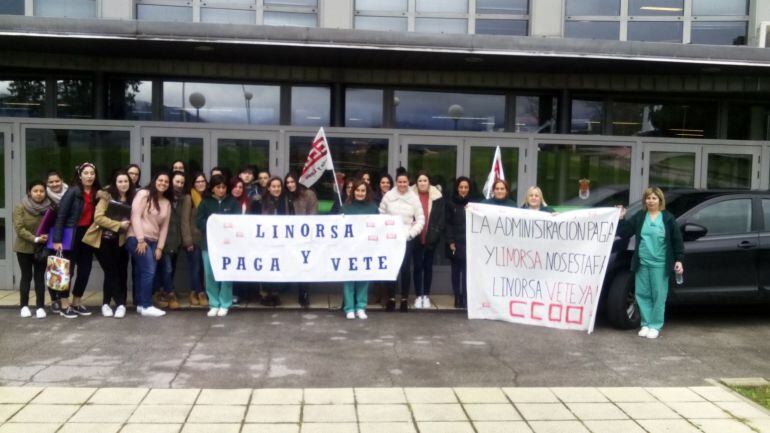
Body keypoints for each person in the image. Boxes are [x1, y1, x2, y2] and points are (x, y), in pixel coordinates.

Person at [618, 187, 684, 339]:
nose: (651, 201)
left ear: (660, 200)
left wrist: (679, 259)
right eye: (648, 198)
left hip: (660, 263)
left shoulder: (667, 218)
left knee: (658, 295)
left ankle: (655, 325)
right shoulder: (640, 216)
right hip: (642, 262)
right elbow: (625, 232)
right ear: (645, 200)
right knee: (642, 294)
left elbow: (677, 241)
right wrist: (621, 218)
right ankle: (646, 324)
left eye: (654, 198)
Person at [83, 170, 135, 319]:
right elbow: (98, 218)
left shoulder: (133, 198)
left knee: (120, 272)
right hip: (102, 240)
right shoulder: (106, 197)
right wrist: (118, 224)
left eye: (126, 181)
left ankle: (108, 303)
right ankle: (118, 304)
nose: (123, 184)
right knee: (110, 271)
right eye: (120, 181)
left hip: (121, 241)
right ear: (115, 183)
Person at [53, 162, 101, 318]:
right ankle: (64, 304)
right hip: (71, 234)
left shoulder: (96, 193)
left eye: (92, 173)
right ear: (80, 175)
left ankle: (77, 301)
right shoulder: (73, 192)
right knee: (67, 271)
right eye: (86, 173)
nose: (89, 176)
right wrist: (57, 239)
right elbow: (61, 216)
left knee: (85, 270)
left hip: (88, 235)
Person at [126, 171, 172, 317]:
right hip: (136, 239)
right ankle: (146, 305)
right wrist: (140, 239)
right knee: (149, 271)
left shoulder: (166, 202)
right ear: (154, 180)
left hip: (153, 242)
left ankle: (140, 304)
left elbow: (164, 227)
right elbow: (135, 216)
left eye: (166, 181)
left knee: (142, 272)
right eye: (160, 180)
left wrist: (160, 247)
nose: (163, 183)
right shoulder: (144, 194)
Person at [379, 167, 424, 312]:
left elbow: (420, 220)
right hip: (390, 238)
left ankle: (404, 299)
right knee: (391, 268)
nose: (402, 184)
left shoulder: (414, 198)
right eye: (400, 182)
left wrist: (411, 234)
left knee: (405, 269)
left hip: (406, 239)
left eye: (405, 182)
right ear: (396, 182)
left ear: (408, 182)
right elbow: (381, 215)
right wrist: (386, 231)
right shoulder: (388, 196)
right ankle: (391, 298)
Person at [196, 174, 240, 317]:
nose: (221, 190)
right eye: (218, 187)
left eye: (223, 187)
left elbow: (238, 222)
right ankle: (214, 303)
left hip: (228, 245)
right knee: (210, 274)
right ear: (213, 189)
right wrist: (211, 226)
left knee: (226, 274)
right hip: (208, 245)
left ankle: (225, 303)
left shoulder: (233, 202)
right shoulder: (205, 202)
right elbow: (199, 221)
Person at [341, 179, 378, 319]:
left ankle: (361, 307)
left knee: (364, 277)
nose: (360, 193)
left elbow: (377, 228)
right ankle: (349, 308)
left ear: (366, 192)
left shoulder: (373, 208)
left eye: (363, 190)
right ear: (353, 191)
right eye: (357, 190)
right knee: (349, 278)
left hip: (366, 248)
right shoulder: (345, 207)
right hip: (349, 248)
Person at [13, 181, 51, 319]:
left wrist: (48, 235)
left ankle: (40, 307)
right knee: (26, 277)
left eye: (42, 191)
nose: (39, 194)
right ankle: (24, 306)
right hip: (24, 248)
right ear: (30, 192)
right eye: (36, 191)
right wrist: (35, 238)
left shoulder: (49, 208)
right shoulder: (20, 207)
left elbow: (52, 225)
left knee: (40, 278)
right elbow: (19, 229)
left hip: (42, 249)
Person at [410, 170, 444, 309]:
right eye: (420, 181)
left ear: (429, 182)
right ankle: (418, 296)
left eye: (425, 180)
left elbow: (441, 219)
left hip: (431, 237)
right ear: (416, 183)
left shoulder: (437, 197)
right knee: (418, 267)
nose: (422, 183)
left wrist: (435, 235)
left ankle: (426, 296)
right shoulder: (410, 196)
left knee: (428, 267)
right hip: (415, 236)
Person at [284, 171, 318, 307]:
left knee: (305, 264)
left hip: (304, 235)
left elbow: (314, 213)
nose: (290, 185)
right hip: (288, 235)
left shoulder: (308, 194)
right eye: (287, 183)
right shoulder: (284, 196)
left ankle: (304, 293)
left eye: (292, 182)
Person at [153, 171, 185, 311]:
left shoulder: (183, 199)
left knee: (168, 269)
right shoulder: (163, 198)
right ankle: (169, 294)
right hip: (162, 240)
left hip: (175, 240)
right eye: (176, 181)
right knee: (167, 268)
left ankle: (163, 292)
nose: (179, 185)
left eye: (182, 182)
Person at [180, 172, 208, 307]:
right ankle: (199, 292)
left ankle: (195, 291)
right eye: (197, 181)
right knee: (195, 267)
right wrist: (188, 241)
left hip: (206, 240)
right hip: (193, 239)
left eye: (203, 181)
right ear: (193, 184)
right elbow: (184, 221)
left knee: (203, 268)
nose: (200, 184)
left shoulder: (208, 198)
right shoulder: (189, 198)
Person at [445, 176, 472, 309]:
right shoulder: (450, 203)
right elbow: (448, 224)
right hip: (455, 243)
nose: (463, 190)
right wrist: (450, 241)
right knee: (456, 272)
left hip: (470, 243)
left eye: (466, 187)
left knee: (467, 273)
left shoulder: (473, 204)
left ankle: (466, 298)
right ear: (457, 188)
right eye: (461, 187)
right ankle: (457, 297)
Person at [260, 176, 287, 306]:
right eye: (274, 186)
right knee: (266, 266)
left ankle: (276, 294)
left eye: (279, 186)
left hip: (281, 240)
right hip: (265, 241)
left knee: (278, 266)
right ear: (269, 188)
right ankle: (265, 294)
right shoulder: (260, 201)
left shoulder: (286, 201)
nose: (276, 189)